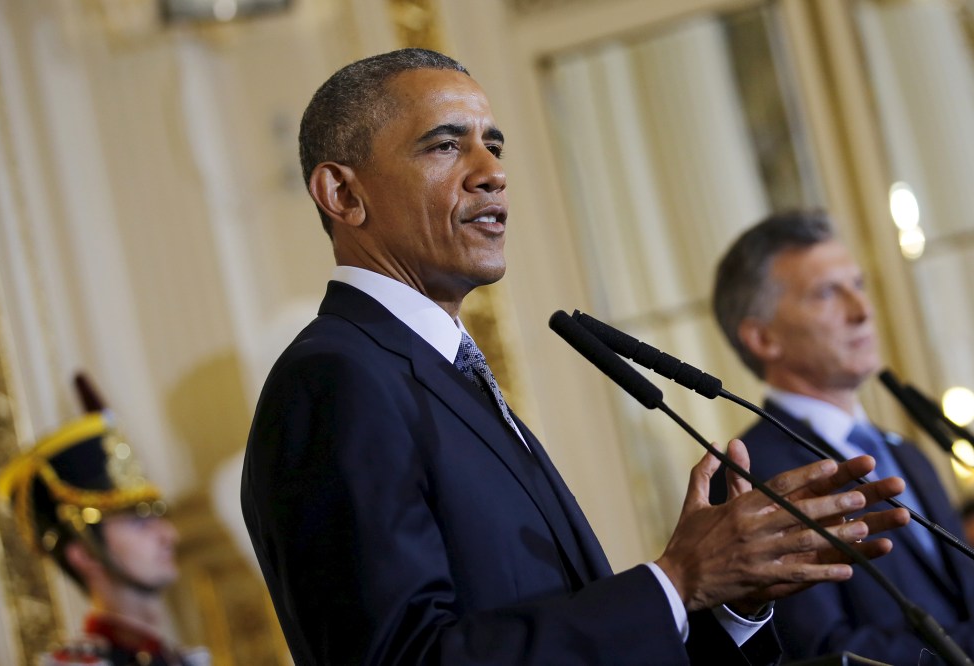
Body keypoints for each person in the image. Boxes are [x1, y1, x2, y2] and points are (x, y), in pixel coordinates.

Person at [241, 49, 908, 665]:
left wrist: (724, 601)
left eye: (494, 146)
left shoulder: (444, 373)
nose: (493, 173)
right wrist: (673, 582)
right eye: (446, 145)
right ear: (343, 194)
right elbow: (399, 658)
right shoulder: (335, 379)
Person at [711, 209, 974, 663]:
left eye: (859, 285)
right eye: (828, 293)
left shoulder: (907, 452)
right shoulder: (753, 472)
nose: (863, 311)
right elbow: (823, 653)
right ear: (763, 338)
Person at [0, 410, 210, 666]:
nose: (169, 534)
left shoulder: (179, 660)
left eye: (158, 516)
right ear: (85, 554)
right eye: (139, 522)